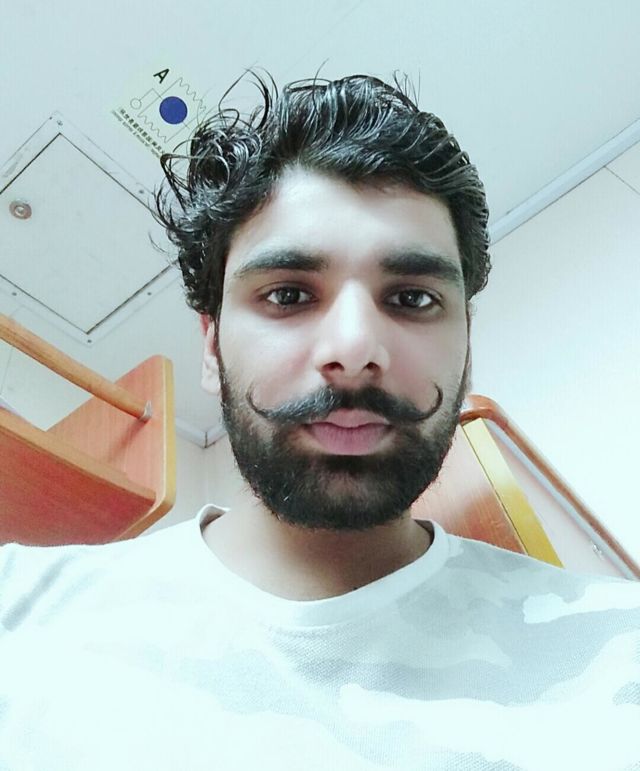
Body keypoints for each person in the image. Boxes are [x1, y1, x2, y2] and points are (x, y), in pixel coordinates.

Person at [1, 72, 638, 771]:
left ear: (466, 346)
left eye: (413, 298)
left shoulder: (618, 654)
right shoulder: (20, 614)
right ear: (211, 348)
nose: (355, 349)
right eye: (287, 294)